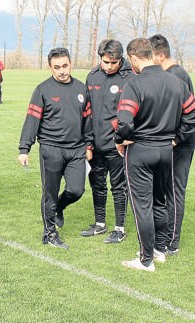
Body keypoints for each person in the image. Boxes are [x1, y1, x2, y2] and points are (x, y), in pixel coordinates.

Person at [118, 38, 195, 272]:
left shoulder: (134, 83)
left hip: (141, 151)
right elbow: (191, 117)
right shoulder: (177, 83)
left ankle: (146, 259)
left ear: (133, 58)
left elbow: (124, 120)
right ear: (152, 54)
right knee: (161, 202)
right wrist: (175, 139)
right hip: (166, 151)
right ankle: (160, 251)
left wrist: (120, 140)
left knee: (143, 206)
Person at [18, 48, 91, 250]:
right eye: (57, 67)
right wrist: (24, 148)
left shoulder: (81, 89)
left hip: (76, 150)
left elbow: (88, 121)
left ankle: (59, 207)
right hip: (51, 149)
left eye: (65, 66)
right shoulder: (42, 90)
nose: (62, 71)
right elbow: (32, 120)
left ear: (71, 64)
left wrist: (88, 145)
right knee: (49, 193)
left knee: (76, 190)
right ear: (50, 67)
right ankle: (49, 234)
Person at [81, 39, 134, 243]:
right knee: (97, 184)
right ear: (100, 58)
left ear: (121, 59)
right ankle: (100, 224)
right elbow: (87, 112)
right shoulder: (92, 76)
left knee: (119, 186)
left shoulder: (130, 78)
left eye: (114, 62)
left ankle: (119, 228)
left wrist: (124, 137)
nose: (110, 66)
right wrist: (88, 142)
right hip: (95, 144)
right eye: (106, 62)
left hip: (118, 144)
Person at [149, 34, 194, 256]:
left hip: (181, 145)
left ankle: (172, 243)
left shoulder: (176, 75)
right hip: (170, 143)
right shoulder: (169, 74)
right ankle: (164, 236)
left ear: (160, 55)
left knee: (175, 191)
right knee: (165, 189)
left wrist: (176, 139)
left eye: (151, 56)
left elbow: (187, 116)